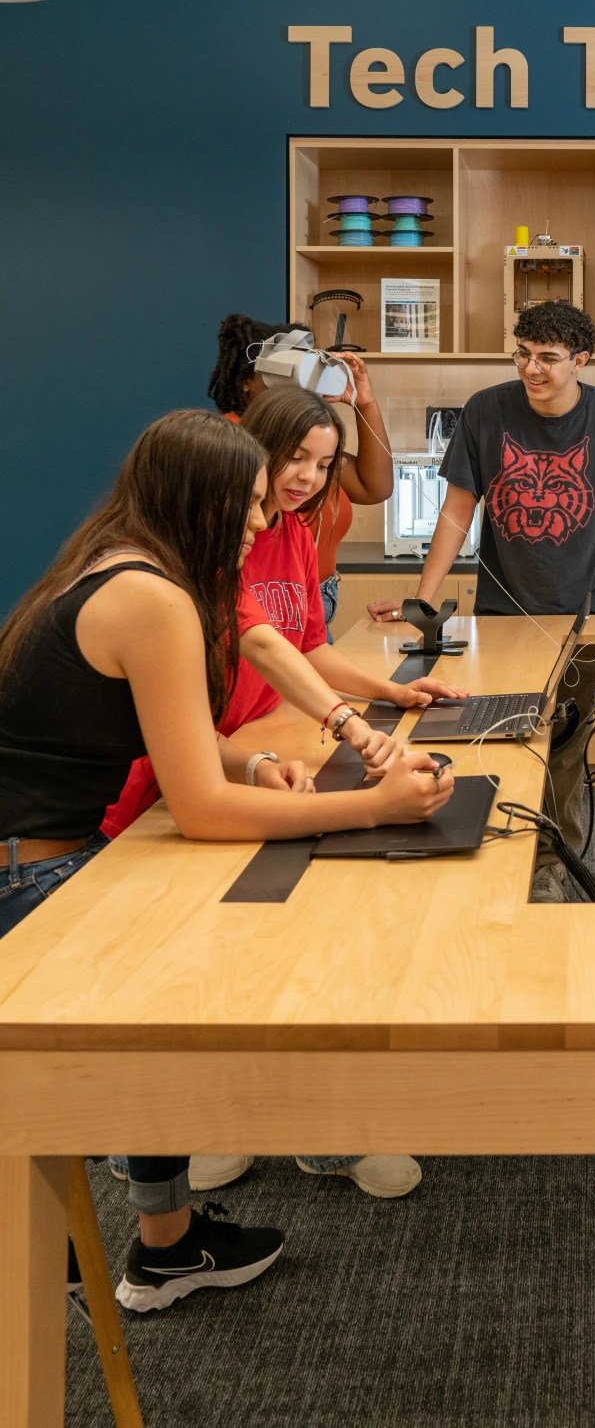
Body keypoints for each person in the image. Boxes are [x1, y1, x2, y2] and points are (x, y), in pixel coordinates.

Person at [0, 410, 454, 1311]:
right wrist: (372, 804)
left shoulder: (119, 565)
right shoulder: (154, 599)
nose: (259, 522)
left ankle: (166, 1239)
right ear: (202, 500)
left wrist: (255, 760)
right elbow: (200, 810)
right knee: (250, 936)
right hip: (40, 887)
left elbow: (184, 746)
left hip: (42, 858)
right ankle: (274, 1141)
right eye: (248, 502)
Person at [102, 384, 464, 1201]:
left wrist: (385, 694)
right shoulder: (185, 564)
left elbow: (302, 641)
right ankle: (230, 1126)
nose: (299, 484)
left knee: (292, 937)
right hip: (181, 778)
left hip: (248, 747)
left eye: (321, 465)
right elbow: (258, 645)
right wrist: (353, 734)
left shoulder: (287, 533)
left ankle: (300, 1122)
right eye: (291, 461)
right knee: (238, 948)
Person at [368, 302, 595, 900]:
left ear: (580, 361)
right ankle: (501, 862)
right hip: (500, 616)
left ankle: (559, 857)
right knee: (501, 740)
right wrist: (421, 603)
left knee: (570, 746)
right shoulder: (487, 410)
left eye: (547, 358)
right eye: (522, 354)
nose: (530, 368)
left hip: (585, 618)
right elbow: (459, 512)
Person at [208, 311, 394, 638]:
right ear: (246, 380)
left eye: (321, 466)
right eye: (296, 459)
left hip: (313, 599)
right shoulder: (229, 443)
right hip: (264, 599)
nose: (309, 476)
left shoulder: (311, 447)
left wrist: (364, 403)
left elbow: (374, 488)